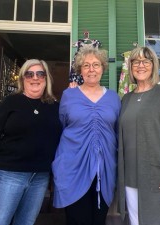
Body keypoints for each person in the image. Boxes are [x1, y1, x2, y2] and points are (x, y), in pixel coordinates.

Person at [0, 59, 62, 225]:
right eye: (29, 74)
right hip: (9, 175)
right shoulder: (11, 102)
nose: (35, 78)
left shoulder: (55, 106)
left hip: (40, 177)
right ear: (22, 78)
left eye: (40, 74)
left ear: (46, 78)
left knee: (26, 222)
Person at [52, 45, 121, 225]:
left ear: (103, 68)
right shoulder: (69, 95)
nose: (91, 69)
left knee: (99, 220)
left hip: (104, 171)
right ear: (80, 70)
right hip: (73, 168)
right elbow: (62, 126)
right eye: (86, 65)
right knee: (77, 220)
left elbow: (117, 131)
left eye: (96, 65)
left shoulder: (114, 98)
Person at [118, 46, 160, 225]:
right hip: (130, 179)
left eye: (146, 61)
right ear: (131, 66)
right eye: (136, 61)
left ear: (153, 65)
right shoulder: (126, 99)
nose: (141, 65)